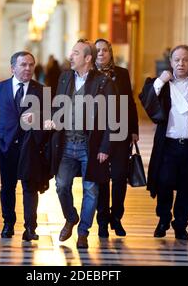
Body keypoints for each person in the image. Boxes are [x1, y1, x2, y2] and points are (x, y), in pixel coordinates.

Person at [139, 45, 188, 240]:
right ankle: (164, 218)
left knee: (187, 187)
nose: (181, 63)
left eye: (185, 60)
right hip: (168, 145)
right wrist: (161, 79)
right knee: (164, 183)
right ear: (171, 62)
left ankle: (181, 224)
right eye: (177, 60)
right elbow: (146, 99)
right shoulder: (163, 83)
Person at [45, 39, 115, 249]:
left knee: (91, 190)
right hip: (66, 143)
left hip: (90, 146)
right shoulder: (65, 77)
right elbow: (59, 107)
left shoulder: (103, 82)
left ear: (87, 58)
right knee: (61, 185)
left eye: (75, 53)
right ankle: (71, 217)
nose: (70, 56)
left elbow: (112, 117)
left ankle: (83, 232)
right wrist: (53, 119)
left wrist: (105, 147)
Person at [0, 51, 50, 241]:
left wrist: (37, 119)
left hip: (30, 148)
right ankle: (8, 224)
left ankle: (30, 227)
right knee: (7, 187)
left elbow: (50, 119)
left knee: (30, 187)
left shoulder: (42, 91)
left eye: (31, 65)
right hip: (6, 147)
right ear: (12, 68)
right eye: (23, 65)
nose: (28, 68)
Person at [94, 38, 139, 237]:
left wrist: (134, 129)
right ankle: (102, 220)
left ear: (111, 53)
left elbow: (129, 102)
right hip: (97, 135)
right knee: (101, 179)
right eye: (97, 51)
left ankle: (117, 217)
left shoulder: (121, 73)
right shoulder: (89, 74)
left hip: (120, 132)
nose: (101, 54)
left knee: (120, 177)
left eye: (105, 50)